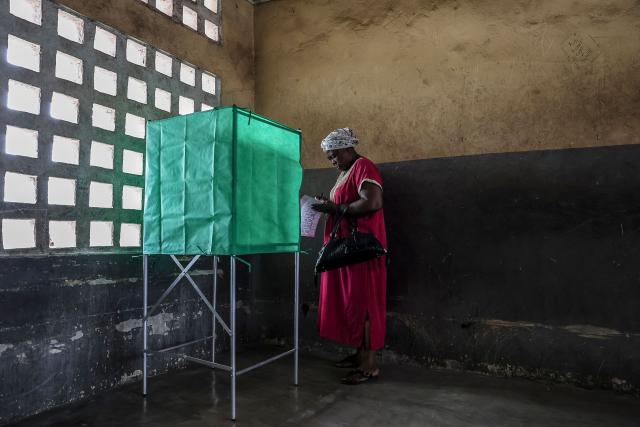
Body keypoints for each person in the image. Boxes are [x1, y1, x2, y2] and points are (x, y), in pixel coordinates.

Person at [311, 128, 387, 385]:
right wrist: (329, 205)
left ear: (347, 148)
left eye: (334, 156)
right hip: (346, 250)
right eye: (329, 158)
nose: (332, 161)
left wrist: (337, 208)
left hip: (361, 249)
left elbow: (372, 202)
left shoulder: (363, 166)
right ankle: (358, 355)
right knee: (353, 302)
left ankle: (369, 365)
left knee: (364, 304)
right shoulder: (345, 173)